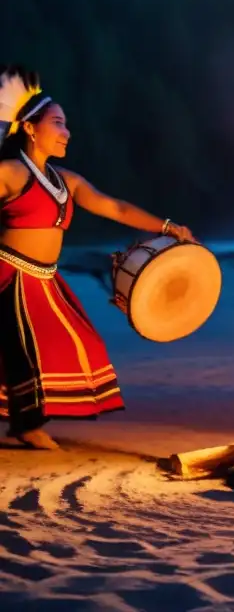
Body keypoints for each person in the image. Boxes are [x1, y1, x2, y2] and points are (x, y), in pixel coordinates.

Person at [0, 68, 193, 450]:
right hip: (9, 275)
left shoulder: (65, 180)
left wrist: (169, 227)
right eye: (58, 123)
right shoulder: (8, 172)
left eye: (67, 124)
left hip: (45, 280)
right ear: (29, 128)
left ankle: (29, 421)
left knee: (78, 344)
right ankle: (27, 424)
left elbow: (116, 208)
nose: (67, 132)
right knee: (21, 349)